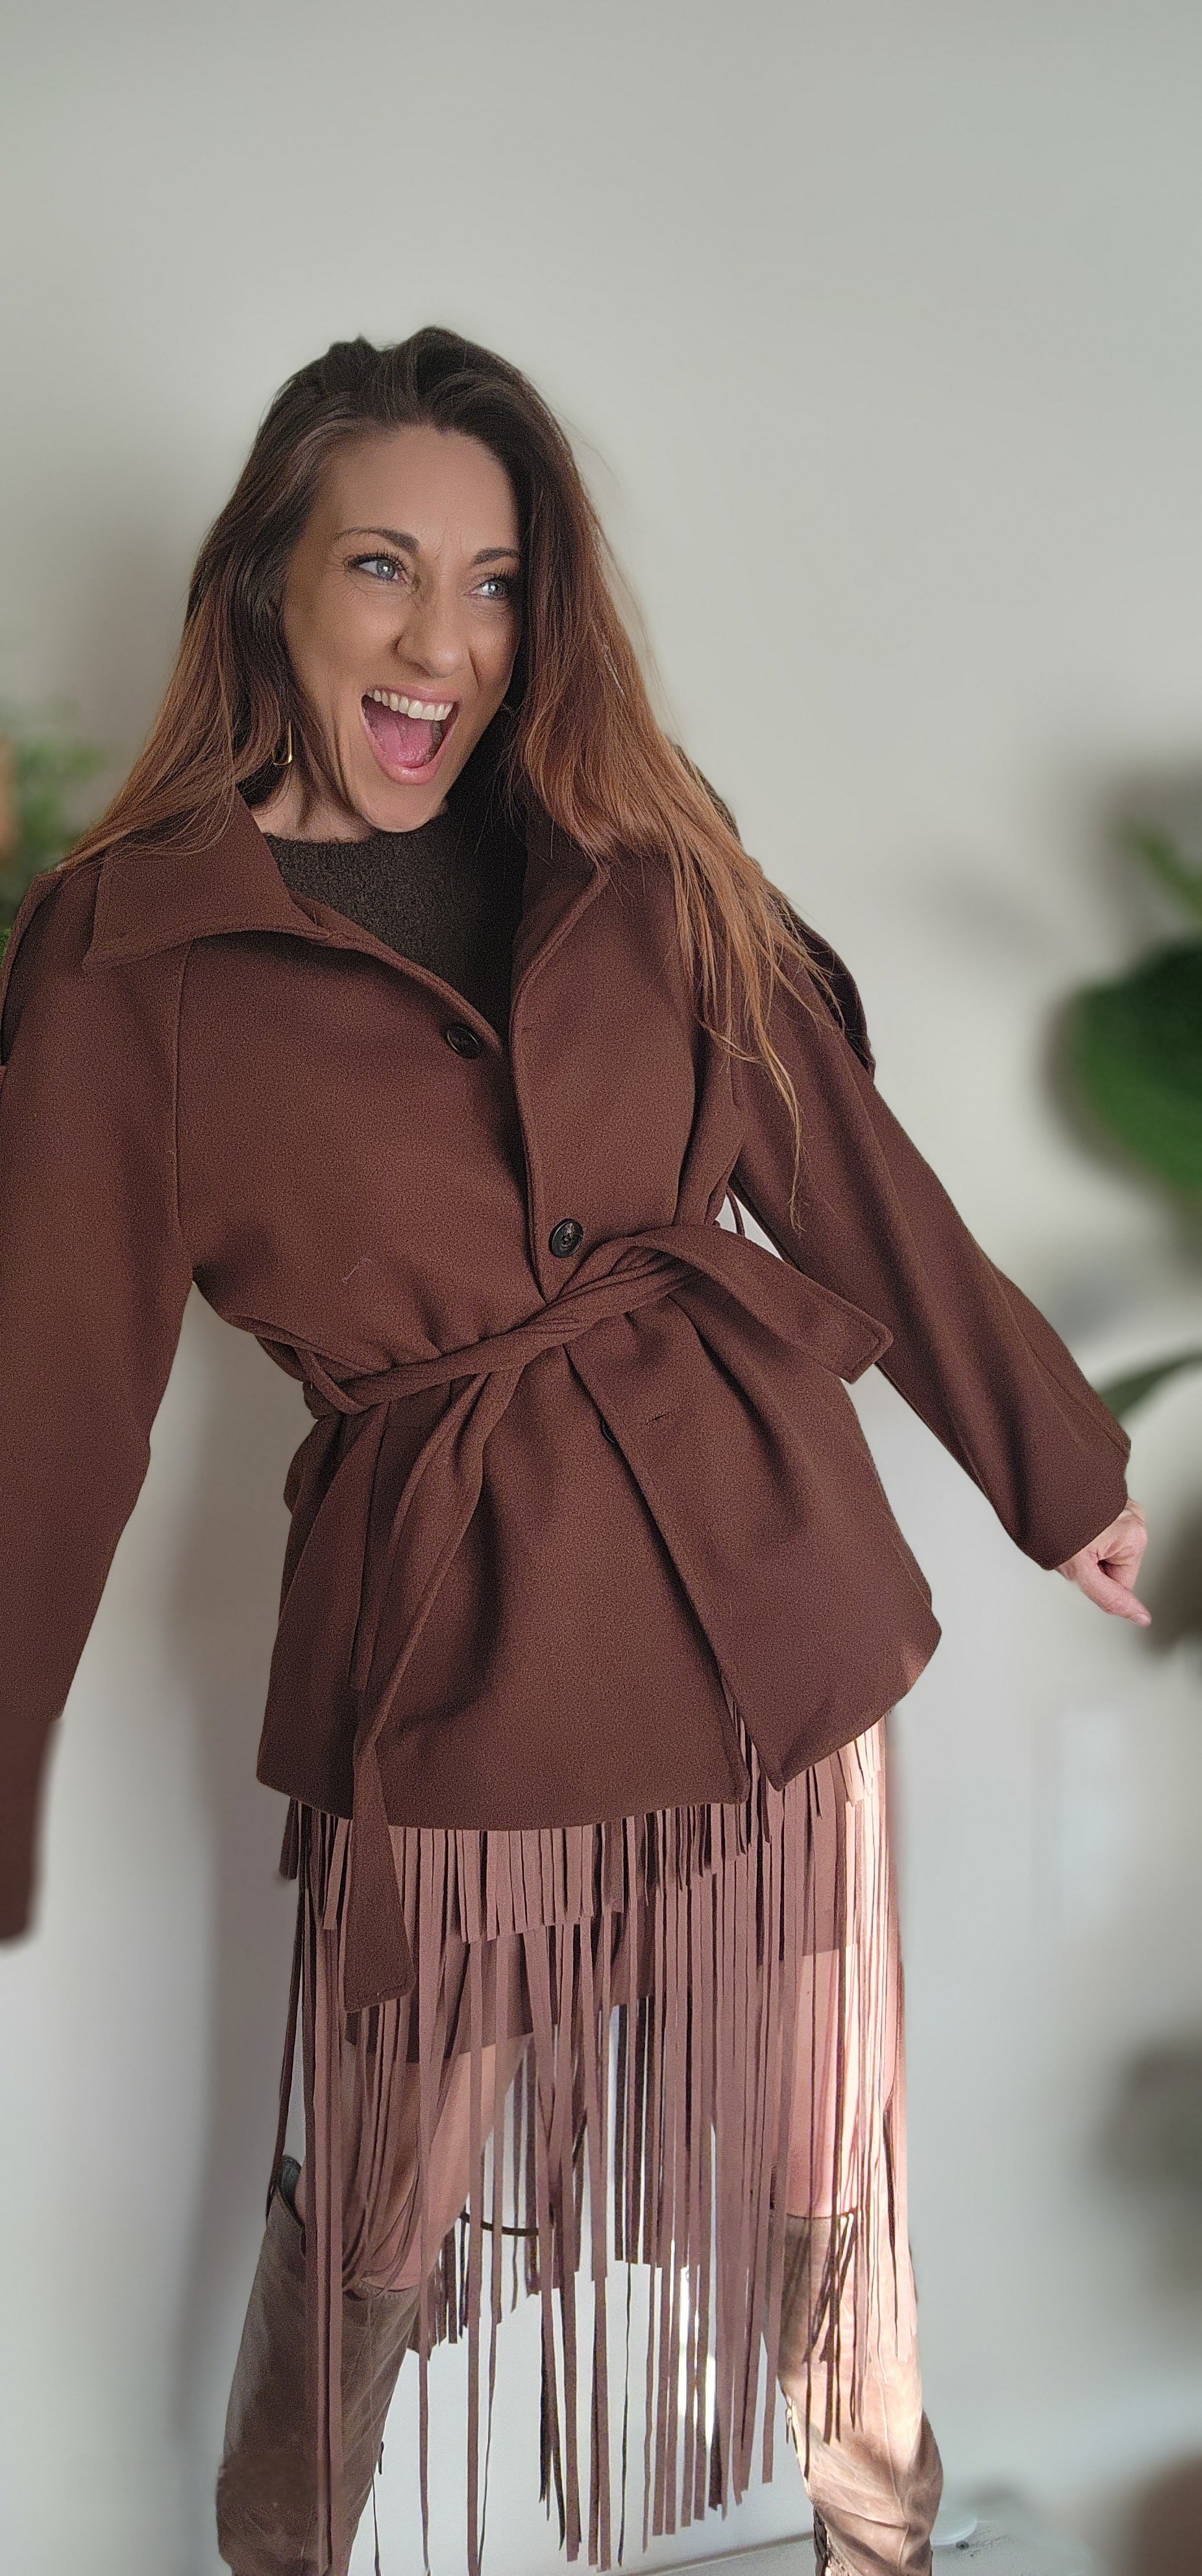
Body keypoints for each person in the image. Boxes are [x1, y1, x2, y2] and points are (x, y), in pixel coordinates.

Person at [0, 328, 1147, 2576]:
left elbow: (839, 1162)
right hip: (458, 1640)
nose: (444, 640)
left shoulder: (635, 840)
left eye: (498, 581)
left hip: (772, 1588)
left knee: (822, 2162)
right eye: (383, 568)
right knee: (384, 2197)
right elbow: (48, 1409)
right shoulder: (130, 964)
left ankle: (881, 2551)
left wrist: (1057, 1467)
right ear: (265, 585)